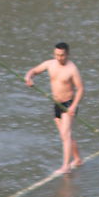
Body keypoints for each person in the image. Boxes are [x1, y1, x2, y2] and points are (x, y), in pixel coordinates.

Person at [25, 41, 84, 173]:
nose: (59, 58)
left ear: (67, 54)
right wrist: (29, 77)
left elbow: (80, 89)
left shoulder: (72, 69)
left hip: (68, 104)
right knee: (65, 135)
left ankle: (66, 166)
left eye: (62, 55)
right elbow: (34, 71)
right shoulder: (50, 64)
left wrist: (73, 107)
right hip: (57, 104)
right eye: (57, 55)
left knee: (66, 134)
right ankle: (78, 159)